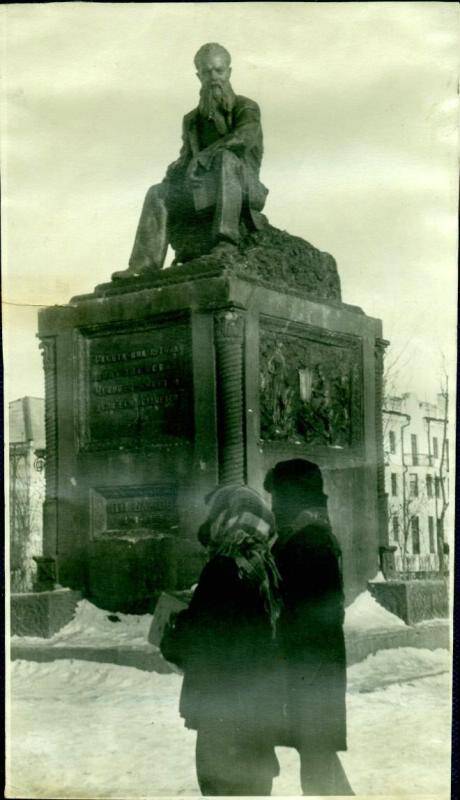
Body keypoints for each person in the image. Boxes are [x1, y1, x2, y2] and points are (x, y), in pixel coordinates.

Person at [160, 484, 281, 796]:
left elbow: (197, 639)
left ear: (227, 519)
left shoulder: (222, 567)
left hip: (222, 712)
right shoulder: (268, 566)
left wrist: (173, 629)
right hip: (258, 713)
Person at [122, 42, 268, 275]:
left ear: (229, 72)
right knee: (158, 192)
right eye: (207, 72)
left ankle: (226, 243)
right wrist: (177, 169)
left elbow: (243, 138)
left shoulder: (247, 107)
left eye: (219, 71)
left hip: (243, 188)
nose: (213, 78)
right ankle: (143, 264)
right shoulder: (191, 120)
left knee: (225, 159)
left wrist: (203, 157)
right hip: (204, 190)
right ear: (198, 75)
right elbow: (186, 157)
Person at [264, 459, 354, 796]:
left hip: (311, 670)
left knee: (317, 762)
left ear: (294, 496)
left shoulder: (310, 541)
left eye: (278, 497)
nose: (274, 505)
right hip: (311, 669)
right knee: (317, 758)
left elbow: (318, 614)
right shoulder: (300, 536)